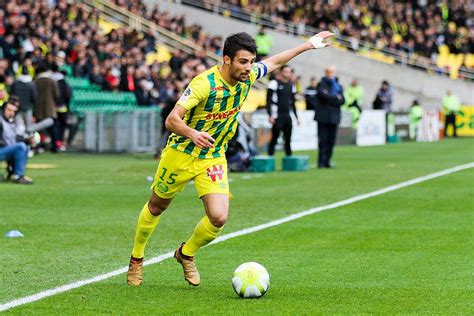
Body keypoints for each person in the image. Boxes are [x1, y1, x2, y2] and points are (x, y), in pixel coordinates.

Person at [127, 30, 335, 286]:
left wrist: (308, 45)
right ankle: (137, 258)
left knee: (219, 217)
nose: (249, 68)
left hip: (213, 156)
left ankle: (185, 253)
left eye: (251, 61)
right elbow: (172, 119)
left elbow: (277, 61)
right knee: (157, 206)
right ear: (227, 60)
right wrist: (192, 133)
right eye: (243, 62)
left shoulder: (247, 78)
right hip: (181, 153)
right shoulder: (204, 84)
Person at [314, 66, 345, 168]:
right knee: (322, 140)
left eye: (332, 72)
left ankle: (327, 161)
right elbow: (323, 96)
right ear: (326, 73)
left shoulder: (338, 86)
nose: (331, 74)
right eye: (329, 72)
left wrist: (333, 98)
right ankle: (321, 162)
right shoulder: (321, 84)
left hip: (334, 117)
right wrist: (336, 97)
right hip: (323, 117)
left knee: (331, 141)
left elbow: (343, 100)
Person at [266, 65, 299, 156]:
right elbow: (268, 101)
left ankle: (289, 158)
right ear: (280, 72)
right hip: (277, 116)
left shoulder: (292, 85)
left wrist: (297, 117)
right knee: (274, 138)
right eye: (285, 71)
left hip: (287, 116)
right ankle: (270, 157)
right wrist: (270, 115)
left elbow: (293, 103)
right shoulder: (274, 83)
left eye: (289, 72)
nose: (287, 73)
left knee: (288, 138)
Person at [0, 101, 33, 184]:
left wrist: (27, 140)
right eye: (9, 110)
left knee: (24, 146)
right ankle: (18, 176)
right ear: (3, 109)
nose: (11, 113)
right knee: (21, 146)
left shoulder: (11, 122)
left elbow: (15, 138)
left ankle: (12, 172)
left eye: (13, 111)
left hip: (5, 149)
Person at [34, 64, 60, 152]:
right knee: (53, 128)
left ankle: (38, 146)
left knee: (38, 128)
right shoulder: (52, 81)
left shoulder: (36, 81)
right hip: (50, 108)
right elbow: (57, 95)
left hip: (38, 108)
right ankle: (54, 146)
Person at [10, 66, 37, 132]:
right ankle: (28, 140)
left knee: (18, 127)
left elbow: (12, 94)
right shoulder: (31, 84)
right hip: (28, 108)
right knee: (29, 127)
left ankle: (19, 139)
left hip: (17, 107)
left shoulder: (15, 83)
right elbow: (34, 97)